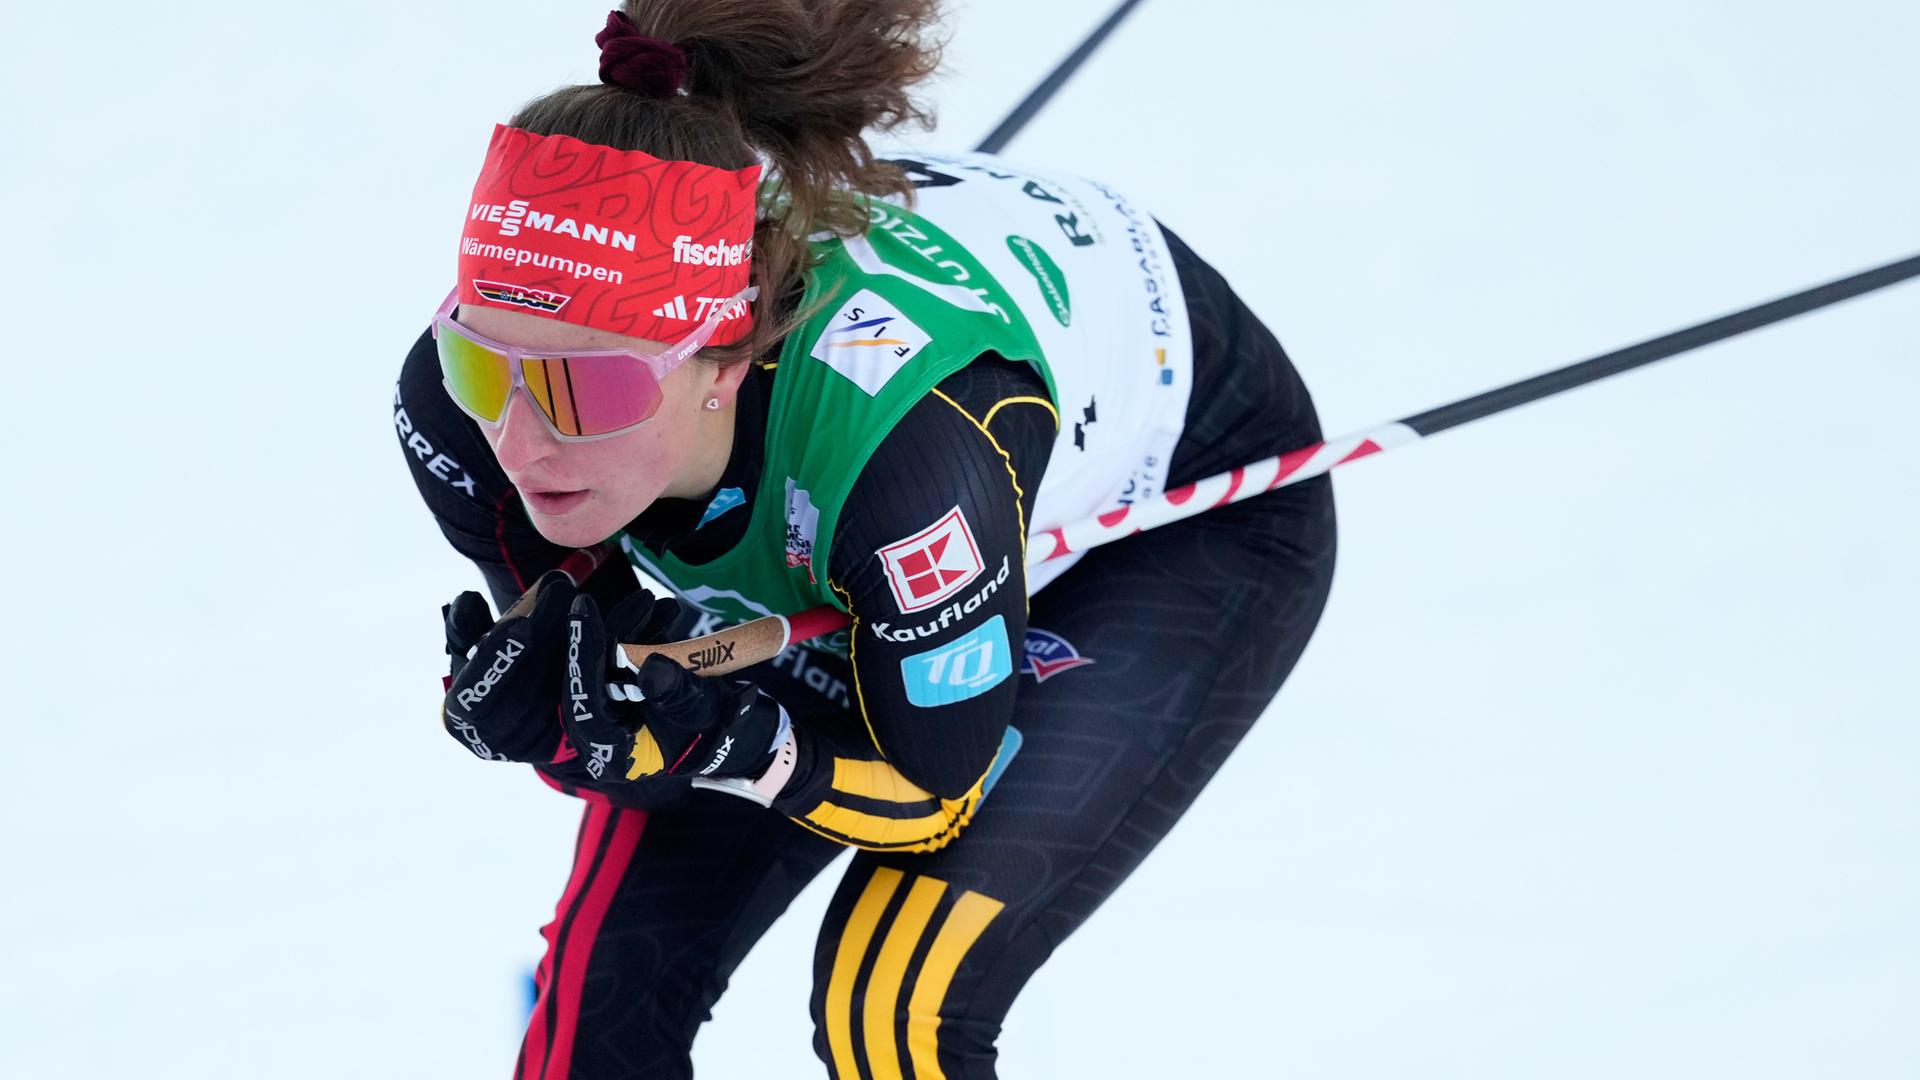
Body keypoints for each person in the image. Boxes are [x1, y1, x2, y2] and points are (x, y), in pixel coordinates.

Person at [394, 2, 1337, 1076]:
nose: (520, 440)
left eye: (585, 389)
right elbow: (627, 689)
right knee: (595, 1007)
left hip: (1182, 506)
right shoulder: (449, 413)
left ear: (725, 355)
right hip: (847, 532)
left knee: (889, 1006)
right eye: (485, 364)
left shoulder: (910, 467)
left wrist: (721, 742)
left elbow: (935, 788)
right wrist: (570, 728)